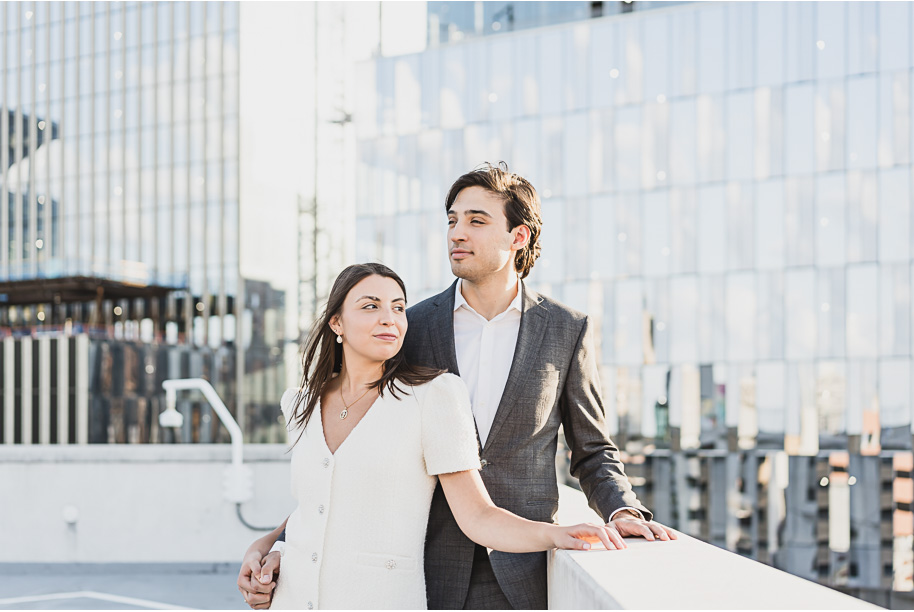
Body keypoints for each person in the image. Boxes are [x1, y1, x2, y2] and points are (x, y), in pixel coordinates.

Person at [239, 163, 676, 610]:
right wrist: (277, 546)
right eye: (452, 220)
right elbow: (346, 464)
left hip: (523, 568)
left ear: (518, 237)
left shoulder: (566, 330)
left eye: (476, 221)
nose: (456, 233)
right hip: (422, 566)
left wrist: (622, 511)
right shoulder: (413, 325)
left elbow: (592, 448)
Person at [241, 262, 624, 610]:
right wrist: (268, 545)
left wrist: (558, 535)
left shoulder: (433, 397)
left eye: (397, 307)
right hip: (292, 599)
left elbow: (477, 516)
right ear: (337, 323)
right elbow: (317, 504)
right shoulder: (299, 404)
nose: (389, 318)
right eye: (370, 306)